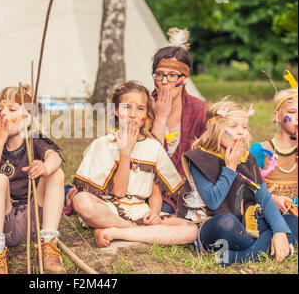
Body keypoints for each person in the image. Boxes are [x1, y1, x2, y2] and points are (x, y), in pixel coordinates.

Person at [70, 81, 198, 248]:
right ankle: (131, 229)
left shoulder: (153, 147)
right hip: (109, 209)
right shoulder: (103, 144)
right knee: (81, 201)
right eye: (126, 108)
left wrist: (154, 213)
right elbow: (119, 191)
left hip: (139, 210)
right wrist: (125, 153)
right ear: (116, 111)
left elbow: (155, 191)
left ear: (146, 113)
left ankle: (114, 232)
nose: (133, 114)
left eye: (140, 109)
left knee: (190, 229)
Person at [177, 99, 297, 265]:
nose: (241, 132)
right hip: (213, 225)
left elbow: (264, 198)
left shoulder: (248, 159)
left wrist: (279, 232)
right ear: (215, 129)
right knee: (226, 221)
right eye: (233, 126)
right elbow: (213, 201)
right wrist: (230, 167)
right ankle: (260, 248)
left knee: (291, 221)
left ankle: (236, 256)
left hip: (245, 224)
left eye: (244, 127)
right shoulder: (199, 158)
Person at [0, 85, 66, 274]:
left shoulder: (34, 140)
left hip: (34, 222)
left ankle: (49, 248)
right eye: (0, 110)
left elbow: (54, 157)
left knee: (55, 173)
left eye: (12, 109)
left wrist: (44, 167)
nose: (4, 114)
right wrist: (0, 140)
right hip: (4, 223)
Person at [149, 27, 208, 213]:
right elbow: (148, 160)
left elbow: (207, 158)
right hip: (146, 186)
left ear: (185, 78)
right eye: (159, 74)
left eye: (172, 75)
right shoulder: (143, 106)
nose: (164, 81)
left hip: (184, 189)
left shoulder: (198, 109)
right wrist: (159, 118)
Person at [250, 87, 298, 213]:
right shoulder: (260, 150)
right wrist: (272, 198)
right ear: (277, 116)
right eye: (292, 112)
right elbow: (247, 187)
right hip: (270, 216)